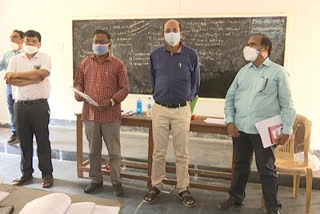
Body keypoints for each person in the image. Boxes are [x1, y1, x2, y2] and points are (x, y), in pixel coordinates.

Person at [220, 33, 296, 214]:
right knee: (240, 165)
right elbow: (230, 98)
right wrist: (230, 121)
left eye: (252, 44)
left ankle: (272, 207)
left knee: (267, 170)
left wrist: (287, 130)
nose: (248, 47)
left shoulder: (278, 72)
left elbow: (288, 104)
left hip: (264, 131)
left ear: (265, 49)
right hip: (242, 128)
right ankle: (236, 198)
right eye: (248, 44)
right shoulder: (243, 72)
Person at [143, 19, 200, 207]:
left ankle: (182, 187)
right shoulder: (155, 55)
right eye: (168, 30)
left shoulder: (191, 55)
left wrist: (186, 101)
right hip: (159, 108)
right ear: (163, 34)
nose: (172, 33)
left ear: (181, 33)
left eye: (175, 30)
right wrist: (161, 95)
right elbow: (153, 78)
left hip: (182, 109)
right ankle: (156, 185)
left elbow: (196, 83)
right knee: (158, 152)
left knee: (182, 153)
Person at [74, 29, 130, 196]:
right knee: (93, 151)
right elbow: (78, 84)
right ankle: (96, 180)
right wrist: (77, 93)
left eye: (101, 42)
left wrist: (112, 101)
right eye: (95, 42)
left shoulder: (118, 64)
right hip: (90, 115)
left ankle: (116, 182)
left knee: (114, 152)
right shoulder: (85, 63)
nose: (98, 45)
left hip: (110, 115)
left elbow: (125, 88)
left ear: (109, 44)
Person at [5, 30, 54, 188]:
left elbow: (43, 73)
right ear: (23, 42)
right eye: (27, 41)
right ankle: (26, 173)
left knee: (43, 141)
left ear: (39, 43)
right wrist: (34, 77)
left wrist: (19, 76)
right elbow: (9, 79)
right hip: (20, 106)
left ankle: (47, 174)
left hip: (39, 105)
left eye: (33, 41)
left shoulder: (45, 57)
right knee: (24, 142)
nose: (30, 44)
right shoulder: (14, 59)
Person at [0, 30, 24, 144]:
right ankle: (15, 133)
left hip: (23, 87)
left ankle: (24, 133)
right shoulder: (7, 54)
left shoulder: (26, 54)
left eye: (15, 37)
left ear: (22, 39)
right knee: (12, 109)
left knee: (21, 110)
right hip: (10, 87)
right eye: (11, 36)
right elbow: (1, 66)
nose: (12, 39)